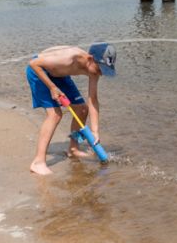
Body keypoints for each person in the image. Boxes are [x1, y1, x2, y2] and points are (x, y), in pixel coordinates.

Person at [26, 43, 116, 175]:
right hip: (39, 72)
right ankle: (38, 162)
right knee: (55, 115)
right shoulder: (69, 58)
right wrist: (52, 87)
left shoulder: (94, 70)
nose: (100, 73)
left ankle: (73, 149)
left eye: (104, 70)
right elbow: (34, 63)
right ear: (90, 59)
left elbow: (93, 99)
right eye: (100, 68)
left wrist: (95, 131)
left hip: (59, 75)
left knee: (82, 109)